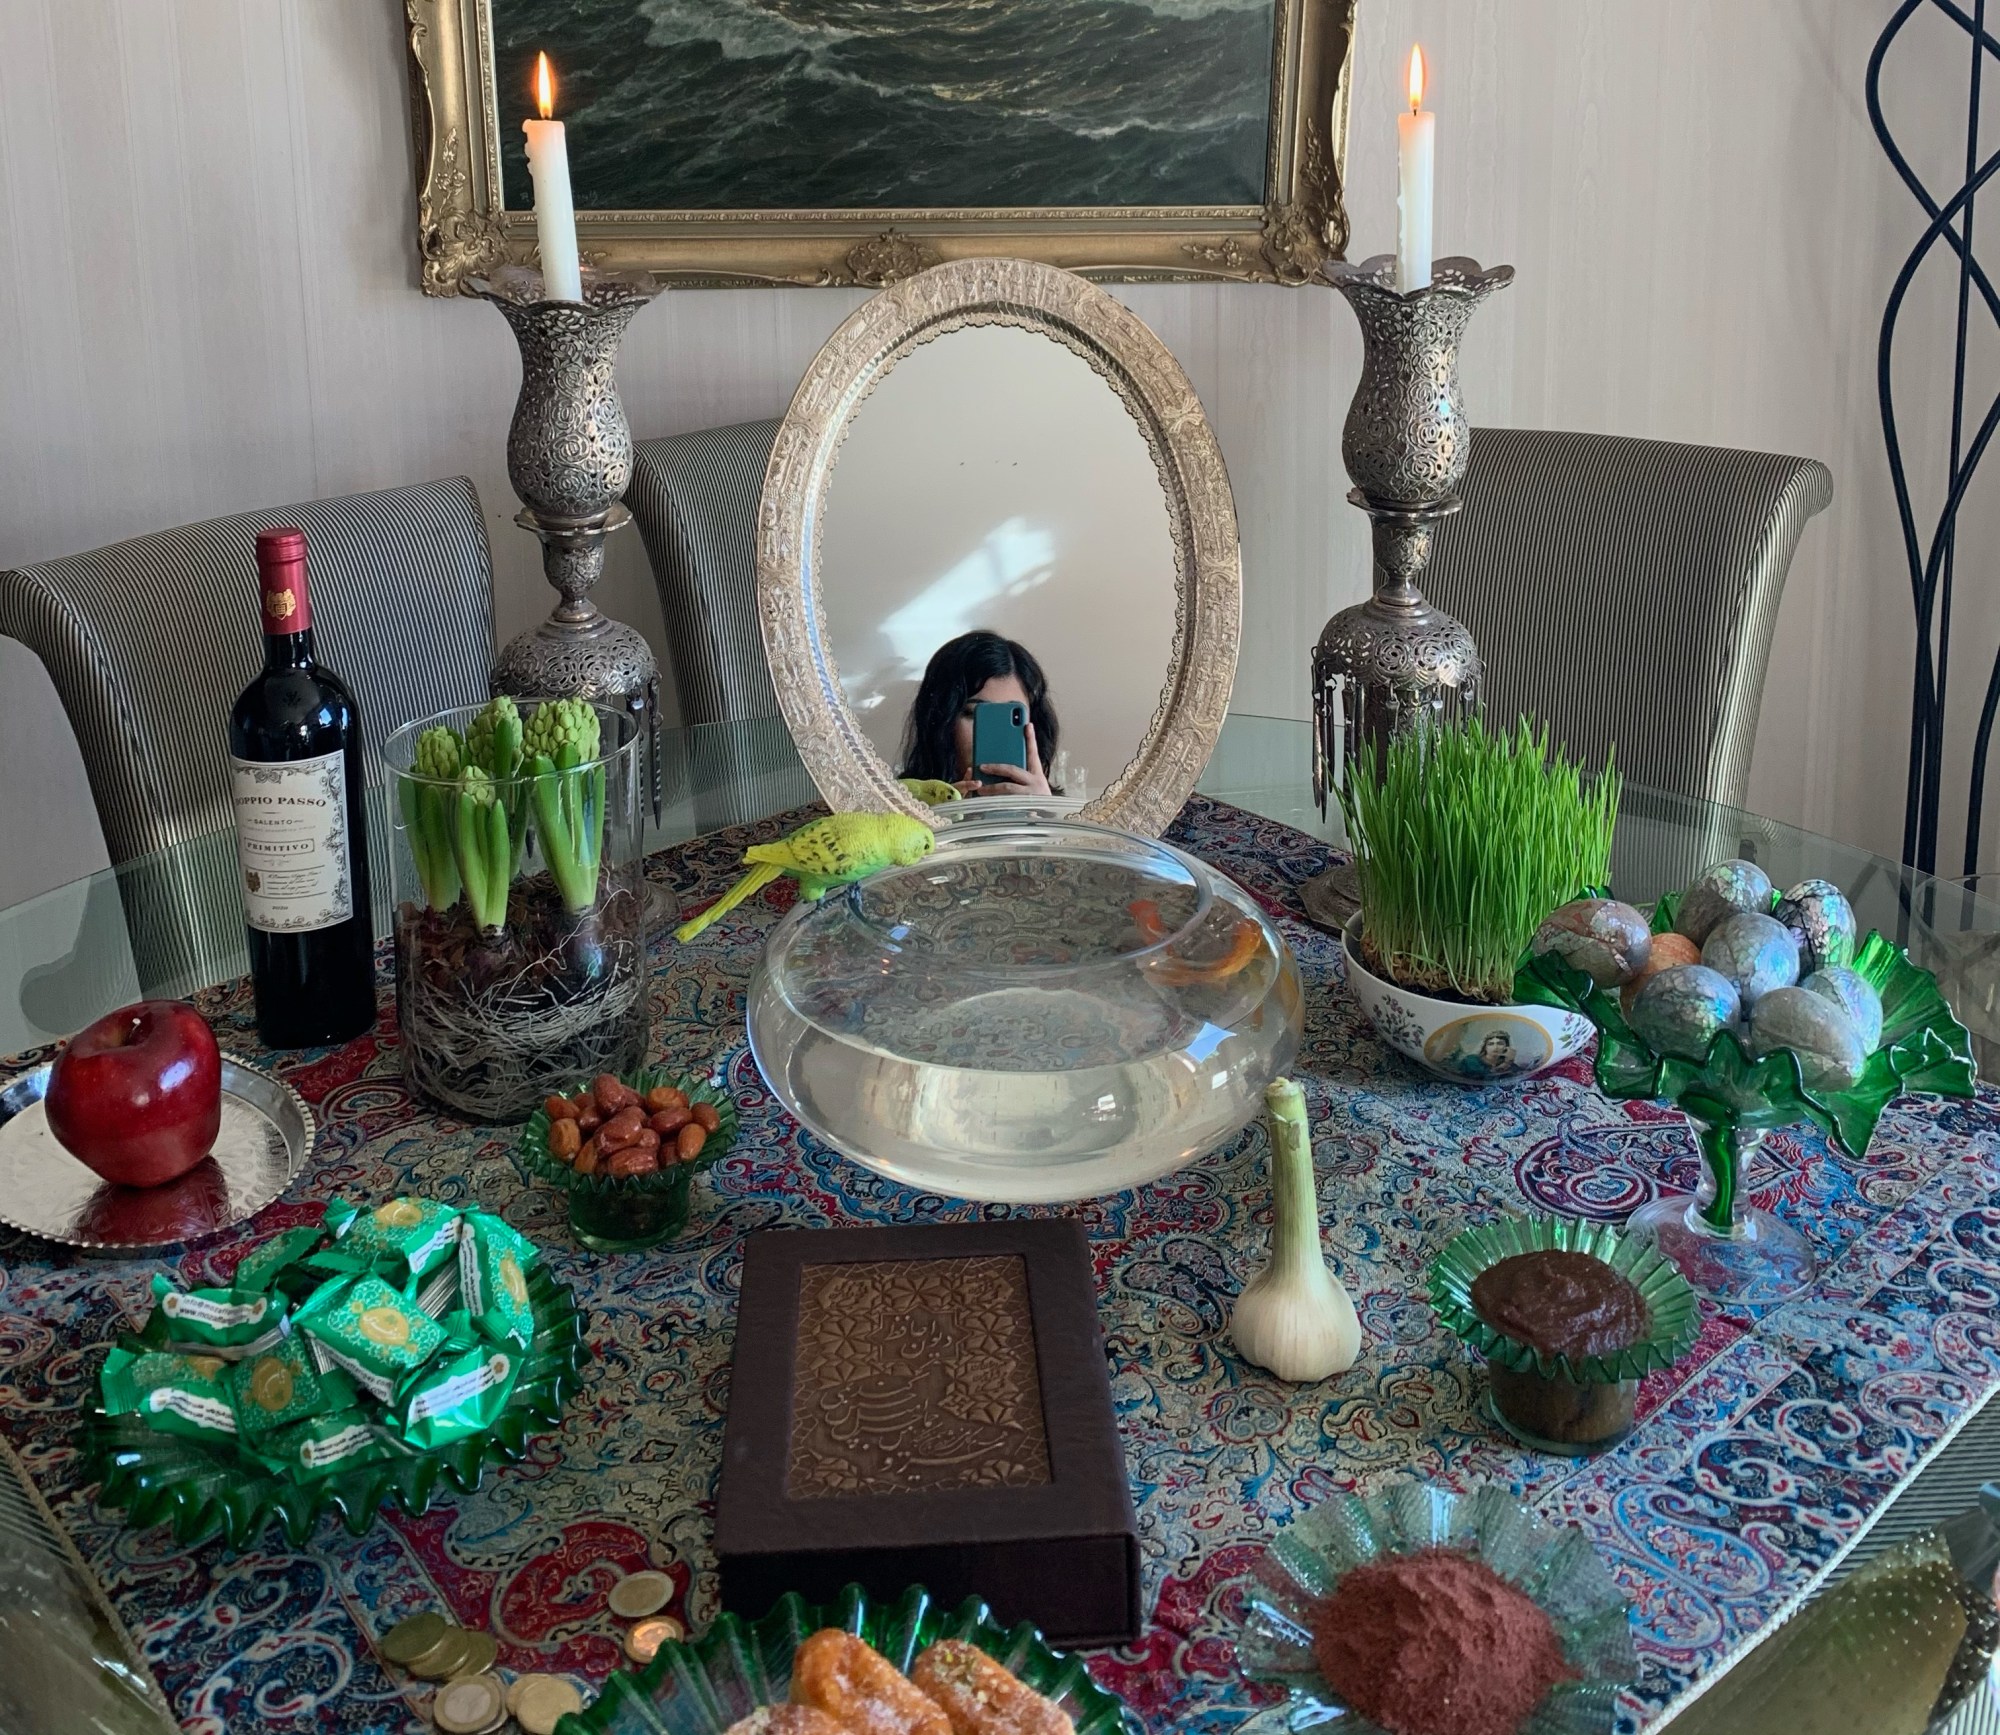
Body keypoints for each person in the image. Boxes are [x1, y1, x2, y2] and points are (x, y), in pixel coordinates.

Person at [899, 630, 1059, 797]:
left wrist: (1042, 812)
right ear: (940, 719)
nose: (995, 733)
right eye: (974, 714)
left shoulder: (1061, 814)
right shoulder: (898, 806)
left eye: (1014, 716)